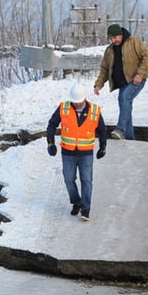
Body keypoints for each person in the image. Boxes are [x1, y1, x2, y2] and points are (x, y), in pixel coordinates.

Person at [46, 82, 108, 220]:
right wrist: (50, 142)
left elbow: (102, 130)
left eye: (79, 102)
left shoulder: (94, 111)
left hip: (86, 153)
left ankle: (85, 209)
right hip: (68, 153)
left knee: (86, 180)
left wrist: (103, 146)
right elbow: (52, 124)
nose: (77, 104)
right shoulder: (64, 108)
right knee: (69, 180)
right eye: (75, 102)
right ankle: (76, 202)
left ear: (84, 99)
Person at [94, 23, 148, 140]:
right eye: (111, 38)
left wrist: (140, 74)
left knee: (124, 98)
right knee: (125, 105)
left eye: (115, 37)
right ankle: (130, 138)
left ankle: (120, 130)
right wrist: (98, 84)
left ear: (120, 34)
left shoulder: (134, 42)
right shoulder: (109, 50)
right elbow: (105, 69)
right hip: (123, 83)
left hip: (136, 79)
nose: (113, 40)